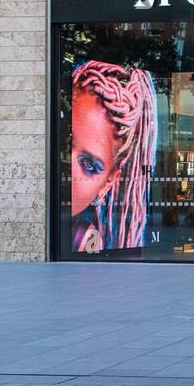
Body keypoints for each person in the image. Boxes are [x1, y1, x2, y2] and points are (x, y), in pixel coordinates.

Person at [71, 60, 158, 253]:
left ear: (107, 183)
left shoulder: (82, 241)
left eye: (88, 165)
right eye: (68, 141)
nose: (68, 168)